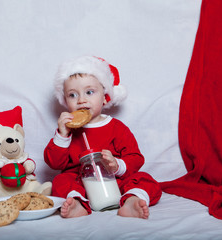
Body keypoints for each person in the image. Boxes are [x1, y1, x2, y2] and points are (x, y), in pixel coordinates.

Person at [44, 56, 162, 219]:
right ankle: (77, 203)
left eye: (89, 92)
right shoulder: (68, 130)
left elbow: (135, 157)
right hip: (81, 184)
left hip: (115, 181)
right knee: (60, 181)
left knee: (145, 179)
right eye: (72, 95)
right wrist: (62, 135)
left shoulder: (116, 127)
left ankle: (132, 201)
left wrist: (117, 165)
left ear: (105, 96)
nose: (81, 100)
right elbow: (55, 163)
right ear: (65, 100)